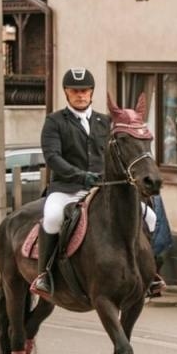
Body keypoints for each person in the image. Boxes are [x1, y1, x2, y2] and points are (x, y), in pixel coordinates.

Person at [35, 68, 111, 296]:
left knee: (148, 215)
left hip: (102, 188)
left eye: (85, 90)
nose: (80, 95)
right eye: (75, 91)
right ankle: (45, 274)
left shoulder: (105, 122)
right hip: (67, 188)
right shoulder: (55, 121)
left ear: (92, 92)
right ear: (66, 93)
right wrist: (80, 175)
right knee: (52, 217)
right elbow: (53, 158)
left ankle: (149, 273)